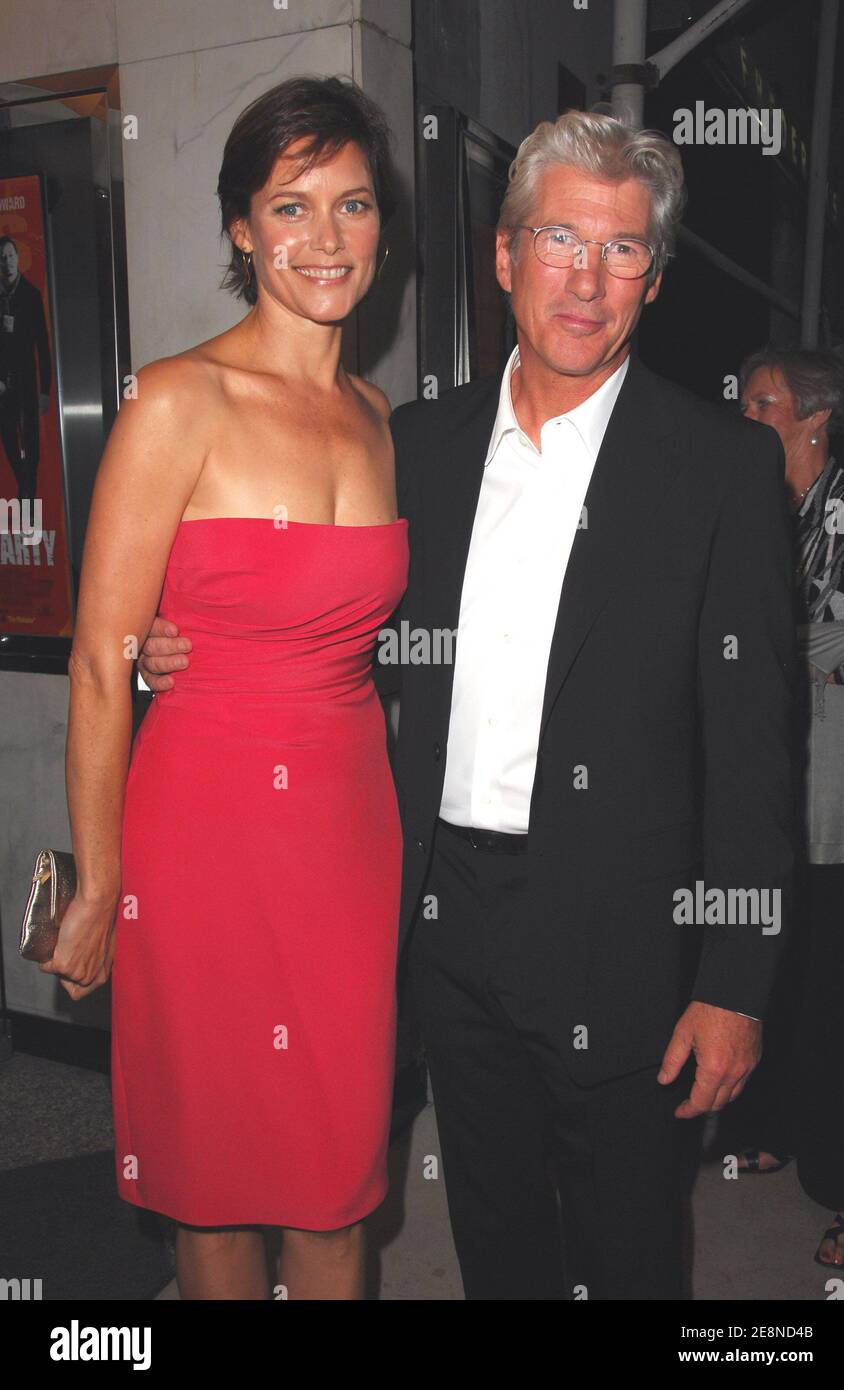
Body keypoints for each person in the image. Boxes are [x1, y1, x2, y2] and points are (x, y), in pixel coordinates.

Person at [141, 109, 798, 1300]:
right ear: (503, 257)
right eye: (557, 238)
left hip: (626, 942)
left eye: (623, 250)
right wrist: (168, 644)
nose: (585, 280)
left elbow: (757, 746)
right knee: (494, 1241)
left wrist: (733, 982)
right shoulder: (418, 448)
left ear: (653, 278)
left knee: (628, 1253)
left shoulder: (720, 468)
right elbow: (326, 621)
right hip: (439, 930)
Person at [51, 76, 407, 1300]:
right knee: (212, 1181)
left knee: (333, 1181)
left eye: (352, 206)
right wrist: (100, 884)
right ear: (240, 228)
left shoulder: (374, 416)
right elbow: (102, 658)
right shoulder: (174, 399)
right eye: (290, 206)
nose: (324, 240)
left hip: (347, 834)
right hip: (201, 831)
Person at [736, 348, 844, 1270]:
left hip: (843, 782)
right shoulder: (754, 502)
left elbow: (834, 635)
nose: (746, 413)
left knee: (841, 980)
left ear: (814, 419)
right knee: (775, 956)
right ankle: (774, 1122)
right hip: (775, 771)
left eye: (763, 402)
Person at [0, 235, 52, 508]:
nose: (7, 262)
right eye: (2, 258)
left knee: (31, 444)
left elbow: (42, 345)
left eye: (10, 256)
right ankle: (25, 486)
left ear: (18, 259)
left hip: (27, 383)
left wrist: (45, 389)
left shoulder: (30, 295)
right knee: (8, 439)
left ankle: (27, 500)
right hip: (2, 386)